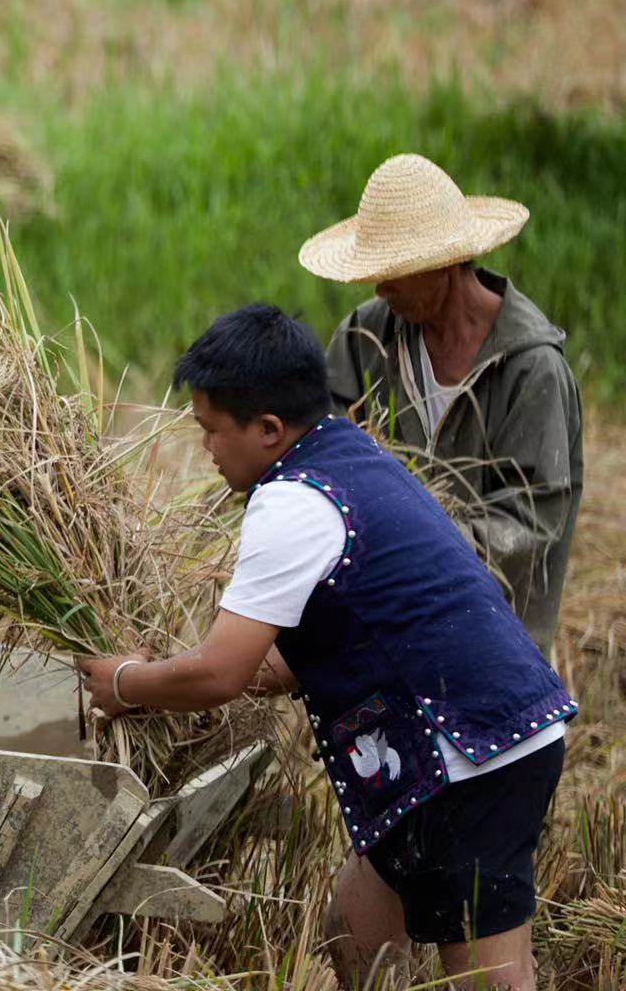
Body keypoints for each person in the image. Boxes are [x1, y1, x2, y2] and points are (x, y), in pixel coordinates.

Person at [78, 305, 575, 991]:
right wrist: (175, 670)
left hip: (469, 753)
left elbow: (222, 675)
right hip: (476, 738)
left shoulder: (290, 504)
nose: (207, 451)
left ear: (269, 430)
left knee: (491, 979)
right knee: (357, 935)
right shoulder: (346, 452)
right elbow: (282, 660)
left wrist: (127, 683)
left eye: (211, 432)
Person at [299, 154, 583, 653]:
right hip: (383, 637)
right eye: (375, 272)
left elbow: (529, 526)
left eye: (396, 272)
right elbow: (318, 455)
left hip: (491, 647)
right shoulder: (366, 340)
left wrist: (402, 542)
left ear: (445, 264)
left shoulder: (531, 370)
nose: (380, 287)